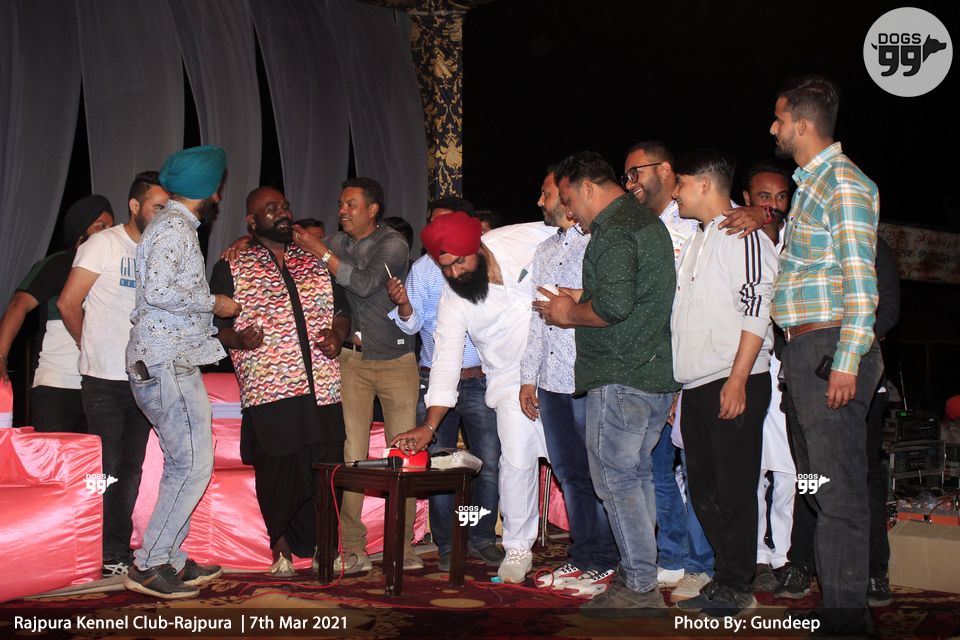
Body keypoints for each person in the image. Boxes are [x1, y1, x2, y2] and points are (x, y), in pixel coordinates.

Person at [536, 151, 678, 617]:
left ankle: (638, 585)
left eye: (570, 198)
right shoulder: (644, 222)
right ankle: (640, 576)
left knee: (616, 481)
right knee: (635, 478)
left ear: (588, 187)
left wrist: (568, 312)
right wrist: (582, 295)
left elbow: (613, 308)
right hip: (652, 374)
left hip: (621, 374)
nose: (570, 210)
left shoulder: (614, 230)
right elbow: (633, 295)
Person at [770, 75, 883, 635]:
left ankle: (846, 620)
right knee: (816, 487)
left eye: (779, 118)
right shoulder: (810, 187)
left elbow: (862, 282)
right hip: (804, 353)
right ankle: (838, 603)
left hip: (828, 350)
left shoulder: (843, 182)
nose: (773, 128)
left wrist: (846, 360)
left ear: (802, 123)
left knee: (838, 495)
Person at [391, 211, 555, 583]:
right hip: (510, 381)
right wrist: (429, 426)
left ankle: (597, 552)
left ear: (478, 246)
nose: (454, 274)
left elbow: (574, 229)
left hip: (561, 367)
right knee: (515, 461)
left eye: (460, 263)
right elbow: (445, 361)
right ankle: (517, 548)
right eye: (446, 268)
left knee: (575, 464)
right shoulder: (454, 298)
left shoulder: (520, 237)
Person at [211, 187, 351, 577]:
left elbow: (342, 309)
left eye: (285, 206)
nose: (282, 213)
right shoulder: (233, 264)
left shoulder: (313, 258)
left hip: (322, 387)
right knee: (278, 472)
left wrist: (338, 335)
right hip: (270, 388)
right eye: (271, 209)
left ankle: (325, 546)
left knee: (326, 469)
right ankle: (281, 550)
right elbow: (214, 326)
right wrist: (238, 340)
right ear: (252, 221)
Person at [125, 145, 240, 599]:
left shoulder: (173, 225)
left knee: (185, 461)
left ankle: (169, 557)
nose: (218, 195)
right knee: (192, 463)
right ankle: (150, 563)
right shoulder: (174, 228)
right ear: (208, 189)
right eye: (217, 186)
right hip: (166, 360)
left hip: (165, 359)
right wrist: (216, 302)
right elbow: (158, 291)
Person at [669, 149, 778, 617]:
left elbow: (758, 307)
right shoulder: (700, 238)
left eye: (680, 183)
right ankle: (727, 574)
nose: (675, 193)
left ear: (704, 184)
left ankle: (737, 584)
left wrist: (738, 379)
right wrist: (680, 389)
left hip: (734, 378)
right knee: (703, 492)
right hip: (696, 384)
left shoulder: (743, 233)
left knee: (733, 489)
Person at [293, 178, 420, 573]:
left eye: (350, 204)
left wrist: (321, 252)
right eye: (340, 204)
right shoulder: (338, 242)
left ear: (372, 209)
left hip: (397, 362)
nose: (342, 211)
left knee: (404, 453)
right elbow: (292, 251)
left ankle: (403, 544)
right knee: (352, 456)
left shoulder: (393, 244)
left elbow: (364, 285)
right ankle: (352, 546)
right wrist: (242, 245)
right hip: (352, 362)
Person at [775, 237, 900, 609]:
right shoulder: (803, 245)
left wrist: (847, 353)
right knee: (810, 476)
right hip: (804, 376)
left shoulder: (865, 240)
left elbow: (887, 308)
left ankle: (872, 570)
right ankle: (802, 562)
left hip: (854, 376)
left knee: (860, 478)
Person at [57, 172, 167, 577]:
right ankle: (91, 548)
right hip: (103, 380)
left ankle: (115, 551)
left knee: (132, 469)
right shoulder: (104, 244)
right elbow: (68, 303)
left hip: (144, 380)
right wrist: (87, 343)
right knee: (104, 470)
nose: (164, 215)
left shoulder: (161, 252)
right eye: (157, 207)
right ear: (135, 206)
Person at [386, 197, 504, 573]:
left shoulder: (487, 260)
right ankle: (450, 543)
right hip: (434, 379)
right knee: (440, 468)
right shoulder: (424, 269)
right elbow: (411, 324)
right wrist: (404, 305)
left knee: (487, 465)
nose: (440, 234)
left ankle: (481, 538)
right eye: (433, 226)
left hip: (481, 378)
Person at [521, 167, 619, 597]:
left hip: (587, 377)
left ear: (566, 197)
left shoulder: (600, 244)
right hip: (550, 381)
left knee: (600, 475)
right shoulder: (544, 251)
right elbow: (537, 320)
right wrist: (528, 378)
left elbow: (608, 308)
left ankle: (606, 561)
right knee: (569, 474)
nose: (540, 202)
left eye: (546, 194)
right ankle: (583, 556)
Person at [622, 140, 714, 600]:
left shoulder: (699, 221)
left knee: (696, 472)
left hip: (694, 366)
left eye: (635, 173)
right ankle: (673, 556)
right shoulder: (640, 227)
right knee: (655, 470)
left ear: (664, 170)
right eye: (625, 177)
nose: (629, 184)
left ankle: (702, 564)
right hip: (652, 367)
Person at [0, 196, 113, 432]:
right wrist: (1, 355)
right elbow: (18, 305)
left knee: (98, 457)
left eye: (110, 227)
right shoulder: (58, 264)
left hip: (101, 388)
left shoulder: (114, 270)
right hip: (58, 386)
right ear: (80, 232)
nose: (107, 233)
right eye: (100, 226)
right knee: (56, 455)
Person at [738, 162, 796, 593]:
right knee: (754, 467)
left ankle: (786, 555)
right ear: (747, 199)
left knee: (792, 471)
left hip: (793, 370)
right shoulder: (738, 240)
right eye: (764, 197)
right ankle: (757, 555)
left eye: (781, 197)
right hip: (751, 366)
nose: (773, 205)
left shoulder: (800, 238)